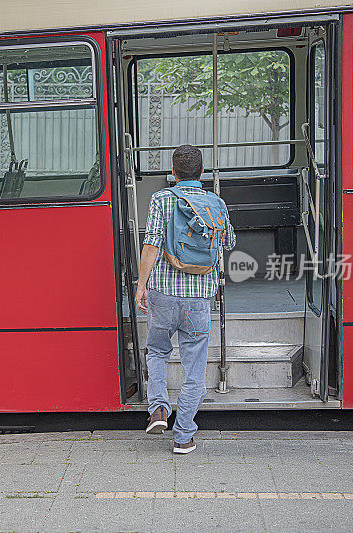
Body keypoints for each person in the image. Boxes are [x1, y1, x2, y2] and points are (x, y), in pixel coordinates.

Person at [135, 144, 236, 454]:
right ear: (202, 172)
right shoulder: (215, 202)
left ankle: (159, 408)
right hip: (198, 299)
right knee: (194, 366)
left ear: (173, 172)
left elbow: (152, 244)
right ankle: (184, 437)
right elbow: (228, 241)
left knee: (157, 351)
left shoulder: (161, 199)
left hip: (163, 294)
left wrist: (141, 286)